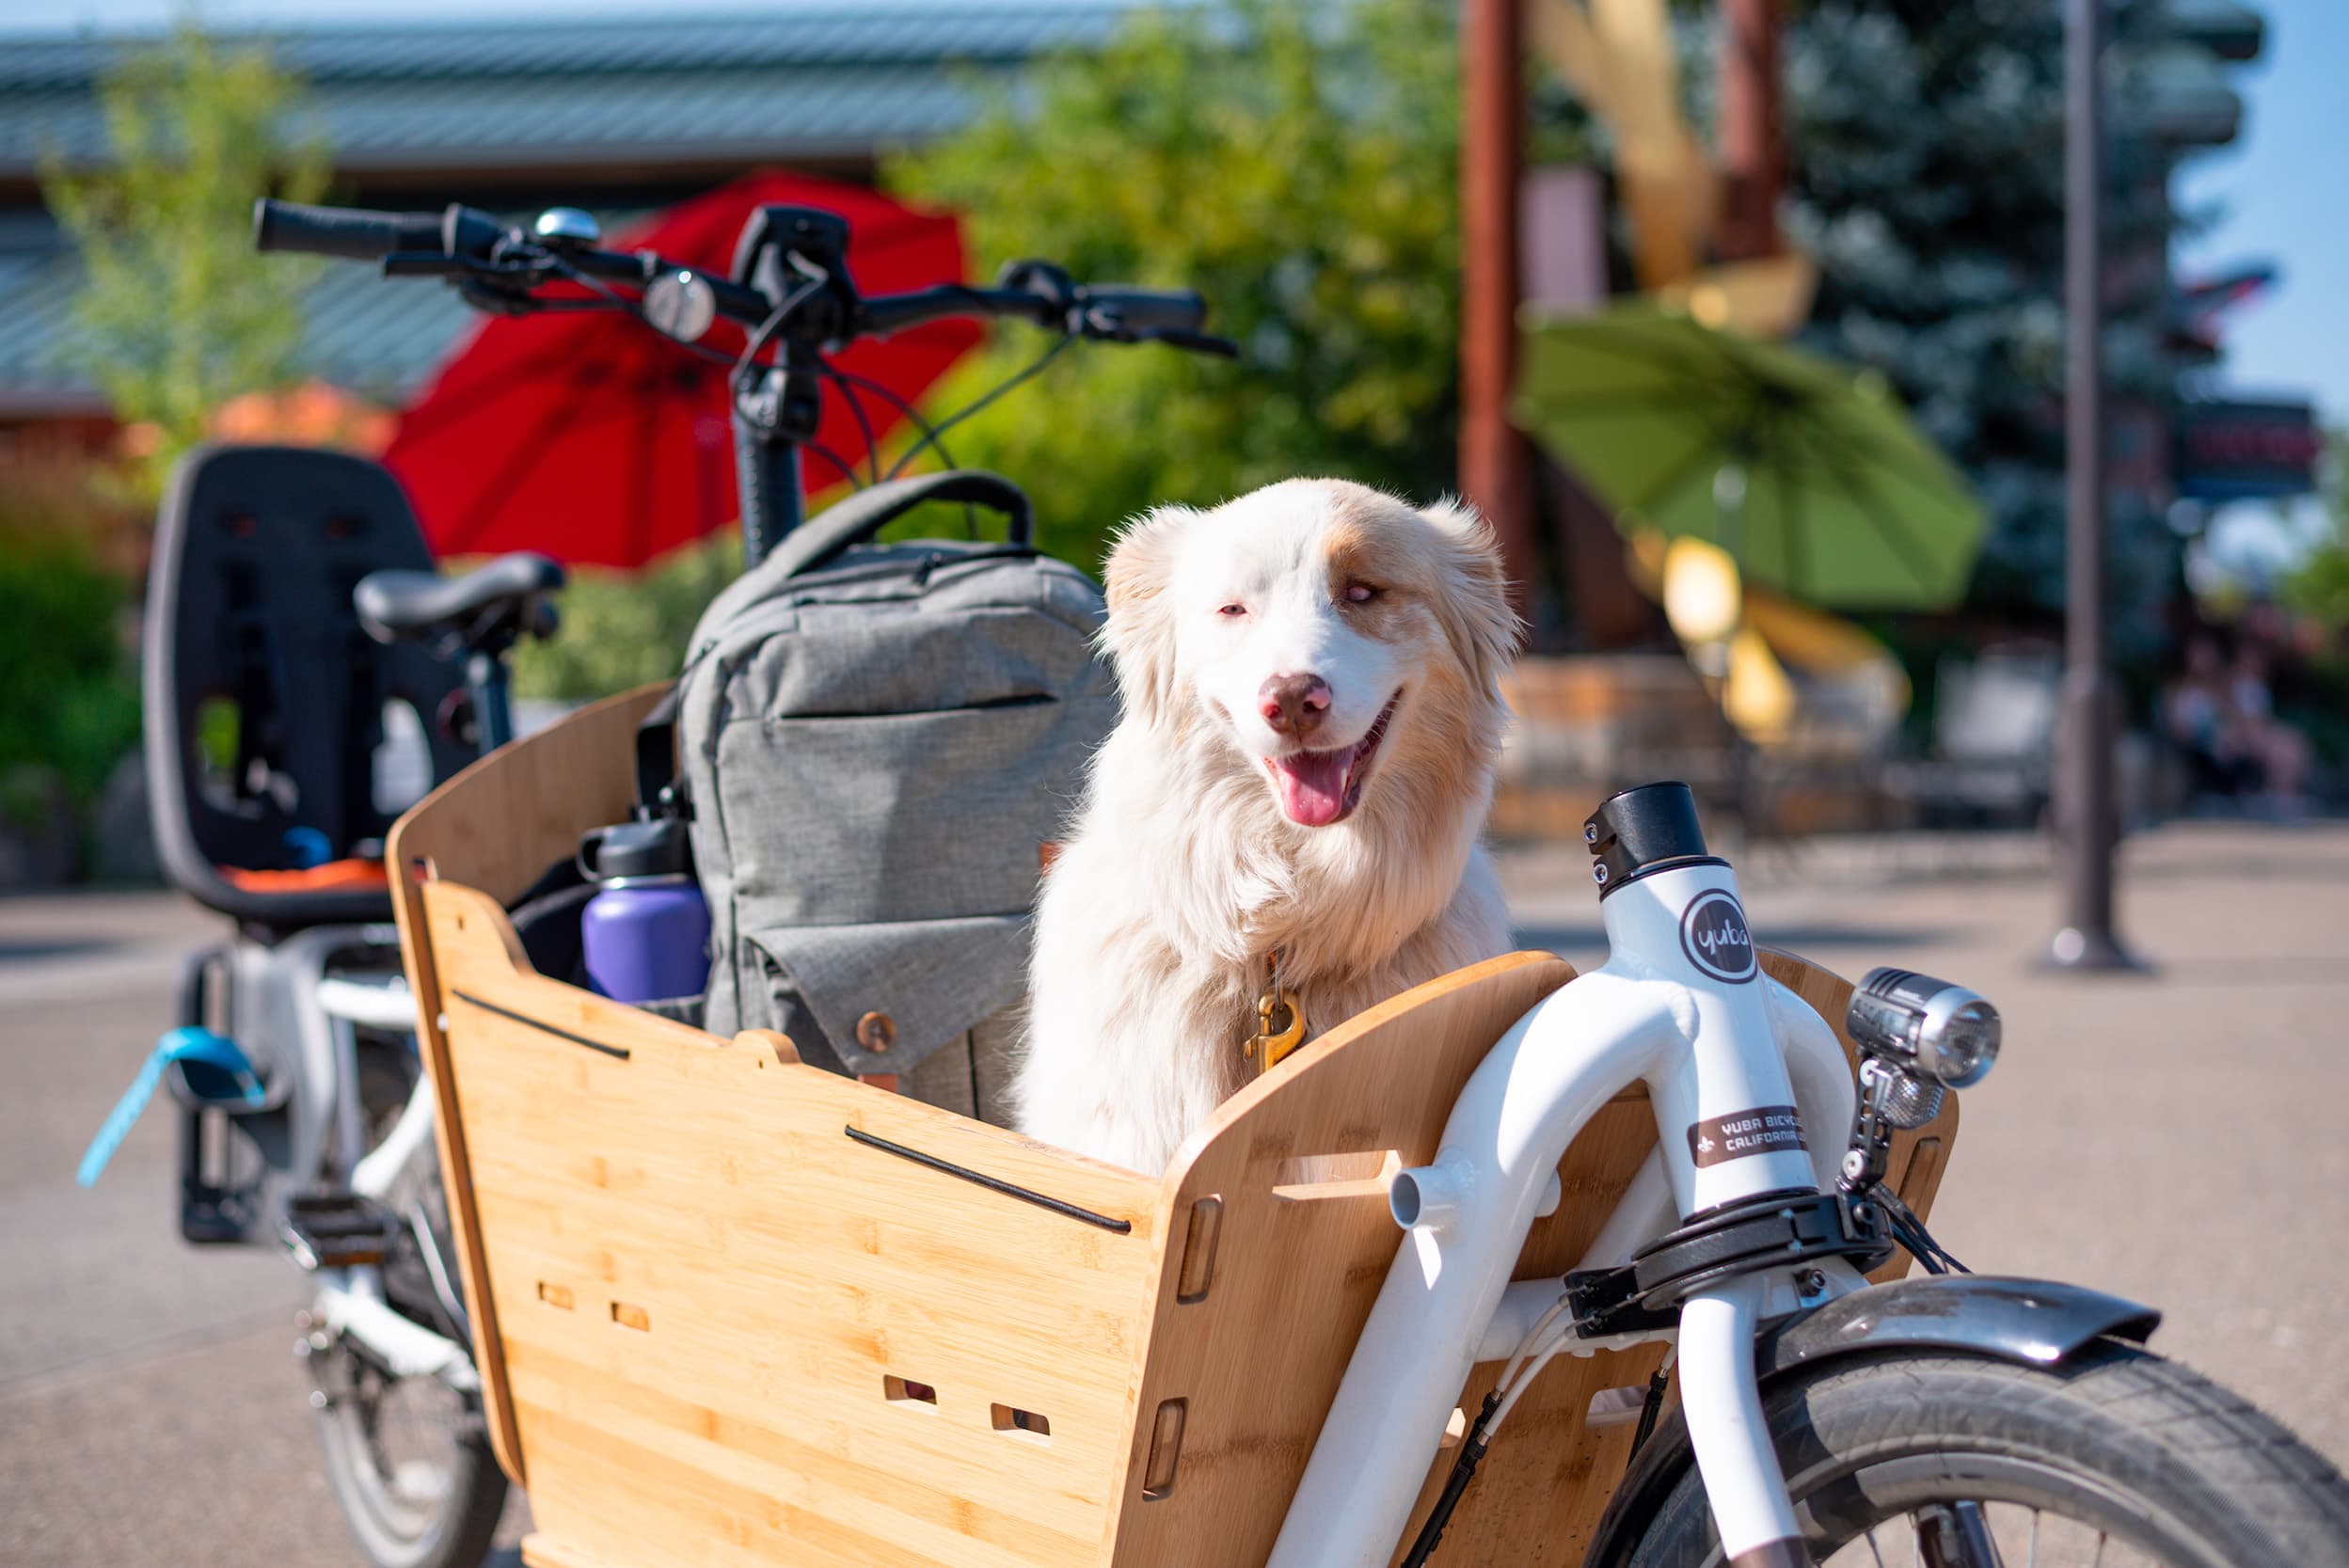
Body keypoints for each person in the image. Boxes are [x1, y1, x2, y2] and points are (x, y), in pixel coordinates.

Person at [2162, 633, 2262, 803]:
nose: (2203, 660)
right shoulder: (2176, 689)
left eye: (2208, 654)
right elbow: (2175, 727)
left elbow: (2234, 718)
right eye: (2198, 655)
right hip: (2194, 744)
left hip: (2224, 741)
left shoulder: (2222, 686)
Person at [2229, 640, 2311, 816]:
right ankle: (2279, 793)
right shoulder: (2232, 684)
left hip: (2261, 731)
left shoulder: (2259, 686)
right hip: (2245, 735)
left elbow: (2265, 718)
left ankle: (2285, 791)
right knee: (2284, 749)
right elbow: (2234, 717)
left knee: (2295, 741)